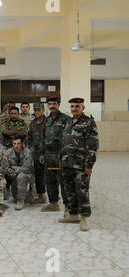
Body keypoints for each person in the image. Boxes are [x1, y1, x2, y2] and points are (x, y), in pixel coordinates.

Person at [58, 97, 99, 231]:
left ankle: (84, 218)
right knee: (69, 191)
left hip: (80, 165)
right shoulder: (68, 122)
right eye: (72, 107)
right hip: (67, 164)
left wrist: (89, 165)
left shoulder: (89, 123)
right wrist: (61, 161)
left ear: (83, 108)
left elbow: (93, 145)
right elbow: (63, 143)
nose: (74, 109)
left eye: (77, 106)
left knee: (81, 191)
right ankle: (73, 214)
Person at [40, 95, 70, 214]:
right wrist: (42, 153)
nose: (52, 106)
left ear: (58, 105)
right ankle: (53, 203)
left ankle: (68, 207)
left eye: (54, 104)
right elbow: (43, 138)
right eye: (50, 104)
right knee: (49, 180)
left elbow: (68, 139)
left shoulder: (66, 119)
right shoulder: (46, 121)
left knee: (63, 181)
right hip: (48, 155)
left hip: (60, 155)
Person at [0, 136, 34, 210]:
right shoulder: (8, 152)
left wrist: (15, 168)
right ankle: (26, 196)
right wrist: (15, 174)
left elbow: (27, 169)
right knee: (15, 197)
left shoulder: (27, 152)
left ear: (22, 144)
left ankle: (21, 201)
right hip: (14, 176)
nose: (16, 146)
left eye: (18, 143)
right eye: (14, 143)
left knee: (21, 176)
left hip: (28, 176)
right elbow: (4, 167)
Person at [27, 102, 48, 205]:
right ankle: (41, 196)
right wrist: (30, 146)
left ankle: (54, 197)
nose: (37, 112)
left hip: (47, 153)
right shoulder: (33, 123)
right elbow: (29, 136)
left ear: (43, 110)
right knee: (38, 175)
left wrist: (43, 153)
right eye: (35, 110)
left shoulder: (48, 122)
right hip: (36, 153)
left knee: (50, 175)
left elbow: (50, 139)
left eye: (39, 110)